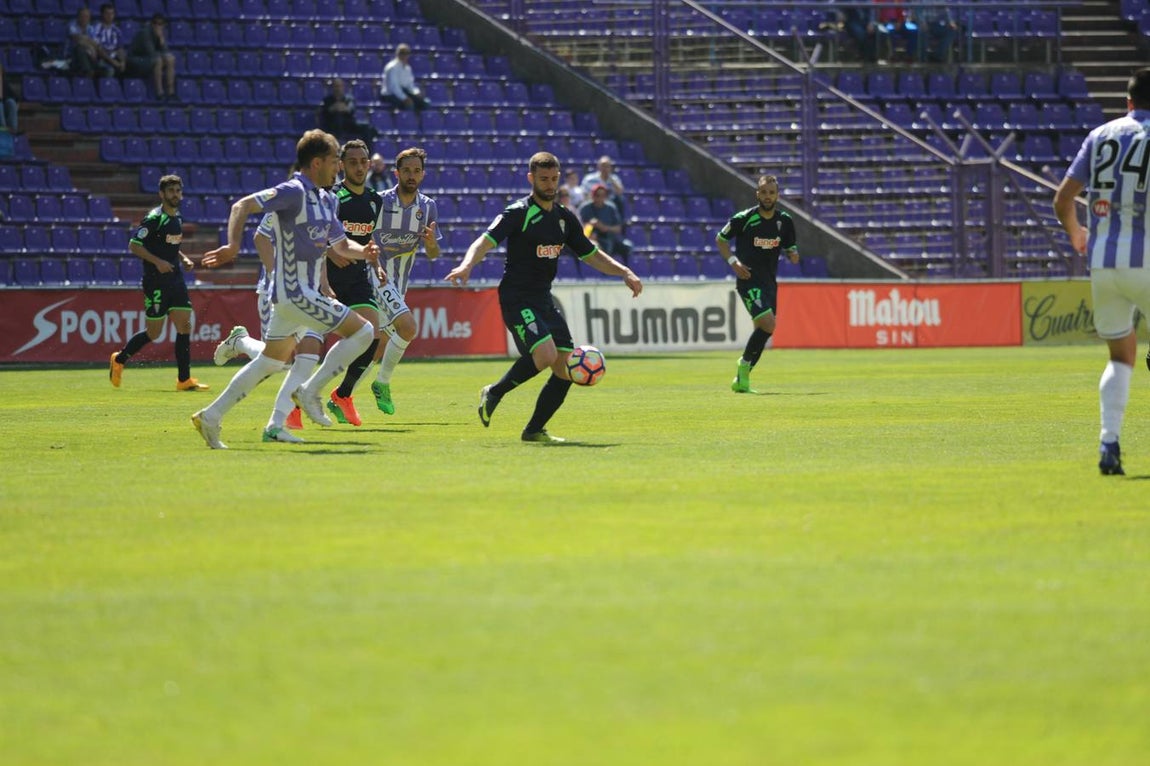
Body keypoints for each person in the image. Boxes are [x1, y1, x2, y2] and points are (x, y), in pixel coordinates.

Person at [192, 130, 378, 449]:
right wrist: (232, 245)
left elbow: (341, 245)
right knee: (364, 332)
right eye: (334, 160)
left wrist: (365, 252)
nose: (339, 167)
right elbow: (242, 206)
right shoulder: (292, 191)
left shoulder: (328, 199)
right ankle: (309, 392)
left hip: (301, 296)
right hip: (294, 293)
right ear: (316, 163)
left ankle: (216, 417)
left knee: (271, 361)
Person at [445, 151, 642, 443]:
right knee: (545, 355)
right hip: (516, 296)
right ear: (531, 179)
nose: (549, 185)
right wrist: (466, 265)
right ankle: (494, 392)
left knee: (564, 368)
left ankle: (534, 430)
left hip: (543, 299)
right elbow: (484, 241)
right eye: (543, 179)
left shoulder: (564, 219)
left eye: (553, 179)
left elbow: (591, 254)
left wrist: (624, 271)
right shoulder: (518, 213)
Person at [1053, 67, 1150, 476]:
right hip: (1147, 258)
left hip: (1104, 262)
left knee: (1120, 357)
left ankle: (1109, 443)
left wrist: (1077, 232)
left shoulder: (1099, 136)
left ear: (1128, 101)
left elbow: (1063, 199)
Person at [337, 145, 441, 417]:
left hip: (399, 283)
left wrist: (431, 243)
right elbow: (361, 237)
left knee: (378, 344)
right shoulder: (379, 202)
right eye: (406, 170)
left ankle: (342, 395)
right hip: (375, 275)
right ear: (396, 173)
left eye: (416, 171)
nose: (411, 175)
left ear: (423, 174)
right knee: (408, 327)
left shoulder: (428, 207)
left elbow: (433, 253)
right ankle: (381, 383)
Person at [108, 174, 209, 392]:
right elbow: (134, 245)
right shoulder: (154, 218)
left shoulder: (177, 218)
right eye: (171, 191)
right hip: (155, 282)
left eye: (178, 191)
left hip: (176, 279)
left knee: (184, 325)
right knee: (154, 333)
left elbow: (170, 245)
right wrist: (158, 262)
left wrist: (183, 258)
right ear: (161, 194)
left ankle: (184, 380)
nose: (176, 195)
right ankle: (120, 359)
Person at [321, 139, 386, 427]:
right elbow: (314, 234)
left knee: (374, 335)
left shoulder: (375, 200)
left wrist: (377, 265)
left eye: (363, 162)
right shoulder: (332, 197)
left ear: (369, 164)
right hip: (326, 279)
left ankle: (342, 395)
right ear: (342, 165)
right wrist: (329, 251)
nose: (359, 167)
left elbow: (368, 240)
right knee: (308, 345)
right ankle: (294, 404)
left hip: (357, 278)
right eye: (352, 162)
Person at [715, 174, 800, 394]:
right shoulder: (744, 218)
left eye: (771, 192)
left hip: (770, 283)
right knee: (769, 325)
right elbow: (721, 239)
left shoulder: (785, 221)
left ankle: (742, 380)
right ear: (757, 194)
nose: (767, 196)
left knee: (764, 331)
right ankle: (743, 364)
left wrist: (793, 254)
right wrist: (734, 262)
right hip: (748, 281)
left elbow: (790, 246)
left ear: (777, 195)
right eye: (763, 192)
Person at [127, 13, 177, 101]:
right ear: (151, 24)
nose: (157, 26)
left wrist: (161, 40)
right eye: (155, 23)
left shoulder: (160, 34)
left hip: (148, 59)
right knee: (158, 61)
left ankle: (171, 92)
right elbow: (151, 53)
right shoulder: (145, 33)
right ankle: (160, 93)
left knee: (170, 59)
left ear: (164, 25)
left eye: (160, 24)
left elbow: (166, 52)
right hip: (136, 60)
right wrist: (160, 41)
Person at [578, 183, 631, 264]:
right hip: (591, 239)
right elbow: (578, 228)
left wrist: (605, 228)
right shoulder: (585, 208)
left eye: (603, 195)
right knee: (598, 247)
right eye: (597, 195)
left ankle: (627, 269)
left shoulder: (611, 208)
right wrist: (590, 226)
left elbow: (618, 228)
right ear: (593, 196)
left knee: (628, 247)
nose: (600, 198)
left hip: (610, 238)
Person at [318, 78, 376, 149]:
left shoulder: (349, 98)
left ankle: (367, 151)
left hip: (349, 123)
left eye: (339, 86)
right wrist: (339, 108)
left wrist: (336, 107)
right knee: (338, 119)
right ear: (332, 87)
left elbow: (350, 109)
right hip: (332, 124)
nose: (338, 88)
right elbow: (327, 111)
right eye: (336, 86)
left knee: (366, 127)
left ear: (343, 87)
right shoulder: (327, 100)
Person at [379, 43, 428, 111]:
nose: (404, 55)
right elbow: (394, 87)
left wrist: (417, 93)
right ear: (397, 54)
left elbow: (410, 85)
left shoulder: (408, 68)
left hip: (403, 92)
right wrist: (404, 98)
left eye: (407, 53)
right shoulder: (392, 68)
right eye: (402, 53)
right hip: (389, 95)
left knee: (424, 103)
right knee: (409, 105)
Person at [580, 155, 626, 224]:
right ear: (598, 166)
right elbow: (584, 193)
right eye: (603, 166)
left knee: (620, 200)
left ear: (610, 168)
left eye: (607, 166)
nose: (605, 168)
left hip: (608, 206)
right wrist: (595, 200)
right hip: (593, 204)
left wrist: (611, 180)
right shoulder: (589, 179)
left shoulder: (614, 179)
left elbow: (620, 192)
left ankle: (619, 225)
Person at [90, 3, 126, 77]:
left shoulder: (117, 30)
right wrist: (113, 62)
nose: (110, 16)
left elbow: (120, 48)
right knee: (109, 70)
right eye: (107, 13)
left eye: (112, 13)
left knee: (131, 66)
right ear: (102, 14)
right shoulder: (96, 28)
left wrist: (122, 61)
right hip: (101, 58)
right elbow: (98, 49)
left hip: (114, 57)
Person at [67, 6, 100, 76]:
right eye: (82, 16)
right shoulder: (72, 25)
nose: (84, 19)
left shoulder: (90, 28)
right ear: (78, 17)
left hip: (88, 56)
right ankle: (89, 71)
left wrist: (91, 46)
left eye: (87, 16)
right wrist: (90, 46)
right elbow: (77, 39)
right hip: (71, 56)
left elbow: (95, 43)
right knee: (79, 48)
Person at [0, 61, 18, 135]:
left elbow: (13, 96)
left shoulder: (3, 82)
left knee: (11, 102)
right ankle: (3, 129)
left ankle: (13, 129)